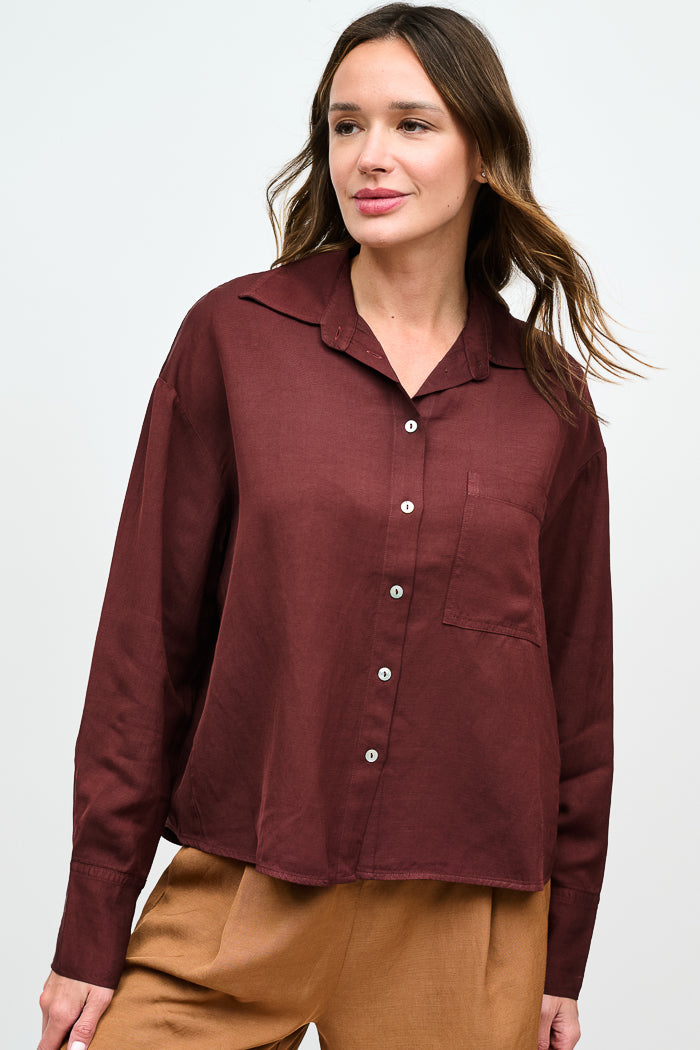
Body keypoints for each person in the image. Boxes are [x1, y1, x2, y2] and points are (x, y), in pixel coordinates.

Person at [38, 4, 647, 1049]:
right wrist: (93, 925)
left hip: (462, 919)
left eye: (413, 124)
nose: (370, 156)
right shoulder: (236, 339)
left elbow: (576, 696)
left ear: (484, 153)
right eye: (346, 125)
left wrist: (562, 953)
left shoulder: (547, 398)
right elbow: (146, 646)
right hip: (243, 890)